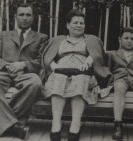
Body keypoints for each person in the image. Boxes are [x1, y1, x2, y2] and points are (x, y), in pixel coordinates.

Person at [40, 9, 113, 141]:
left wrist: (88, 62)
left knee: (80, 80)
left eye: (81, 23)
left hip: (83, 71)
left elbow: (97, 54)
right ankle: (55, 123)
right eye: (75, 22)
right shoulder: (57, 40)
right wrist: (55, 67)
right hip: (61, 71)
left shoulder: (92, 39)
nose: (79, 25)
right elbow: (47, 56)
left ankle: (76, 123)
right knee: (58, 79)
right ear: (68, 25)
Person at [0, 3, 48, 140]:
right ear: (15, 17)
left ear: (33, 18)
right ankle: (16, 126)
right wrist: (7, 66)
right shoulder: (3, 35)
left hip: (27, 74)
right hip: (5, 73)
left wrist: (23, 65)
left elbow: (42, 61)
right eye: (21, 15)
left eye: (28, 15)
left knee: (35, 83)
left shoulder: (42, 37)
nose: (24, 18)